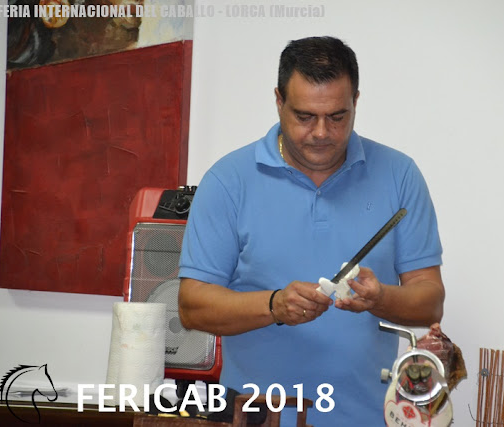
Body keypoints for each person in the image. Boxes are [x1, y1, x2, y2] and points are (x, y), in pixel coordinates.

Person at [178, 36, 445, 426]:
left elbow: (430, 302)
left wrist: (381, 297)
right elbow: (191, 306)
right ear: (278, 101)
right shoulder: (228, 180)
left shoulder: (399, 175)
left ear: (356, 101)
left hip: (367, 417)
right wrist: (274, 306)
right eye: (305, 116)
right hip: (256, 417)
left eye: (337, 116)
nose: (321, 132)